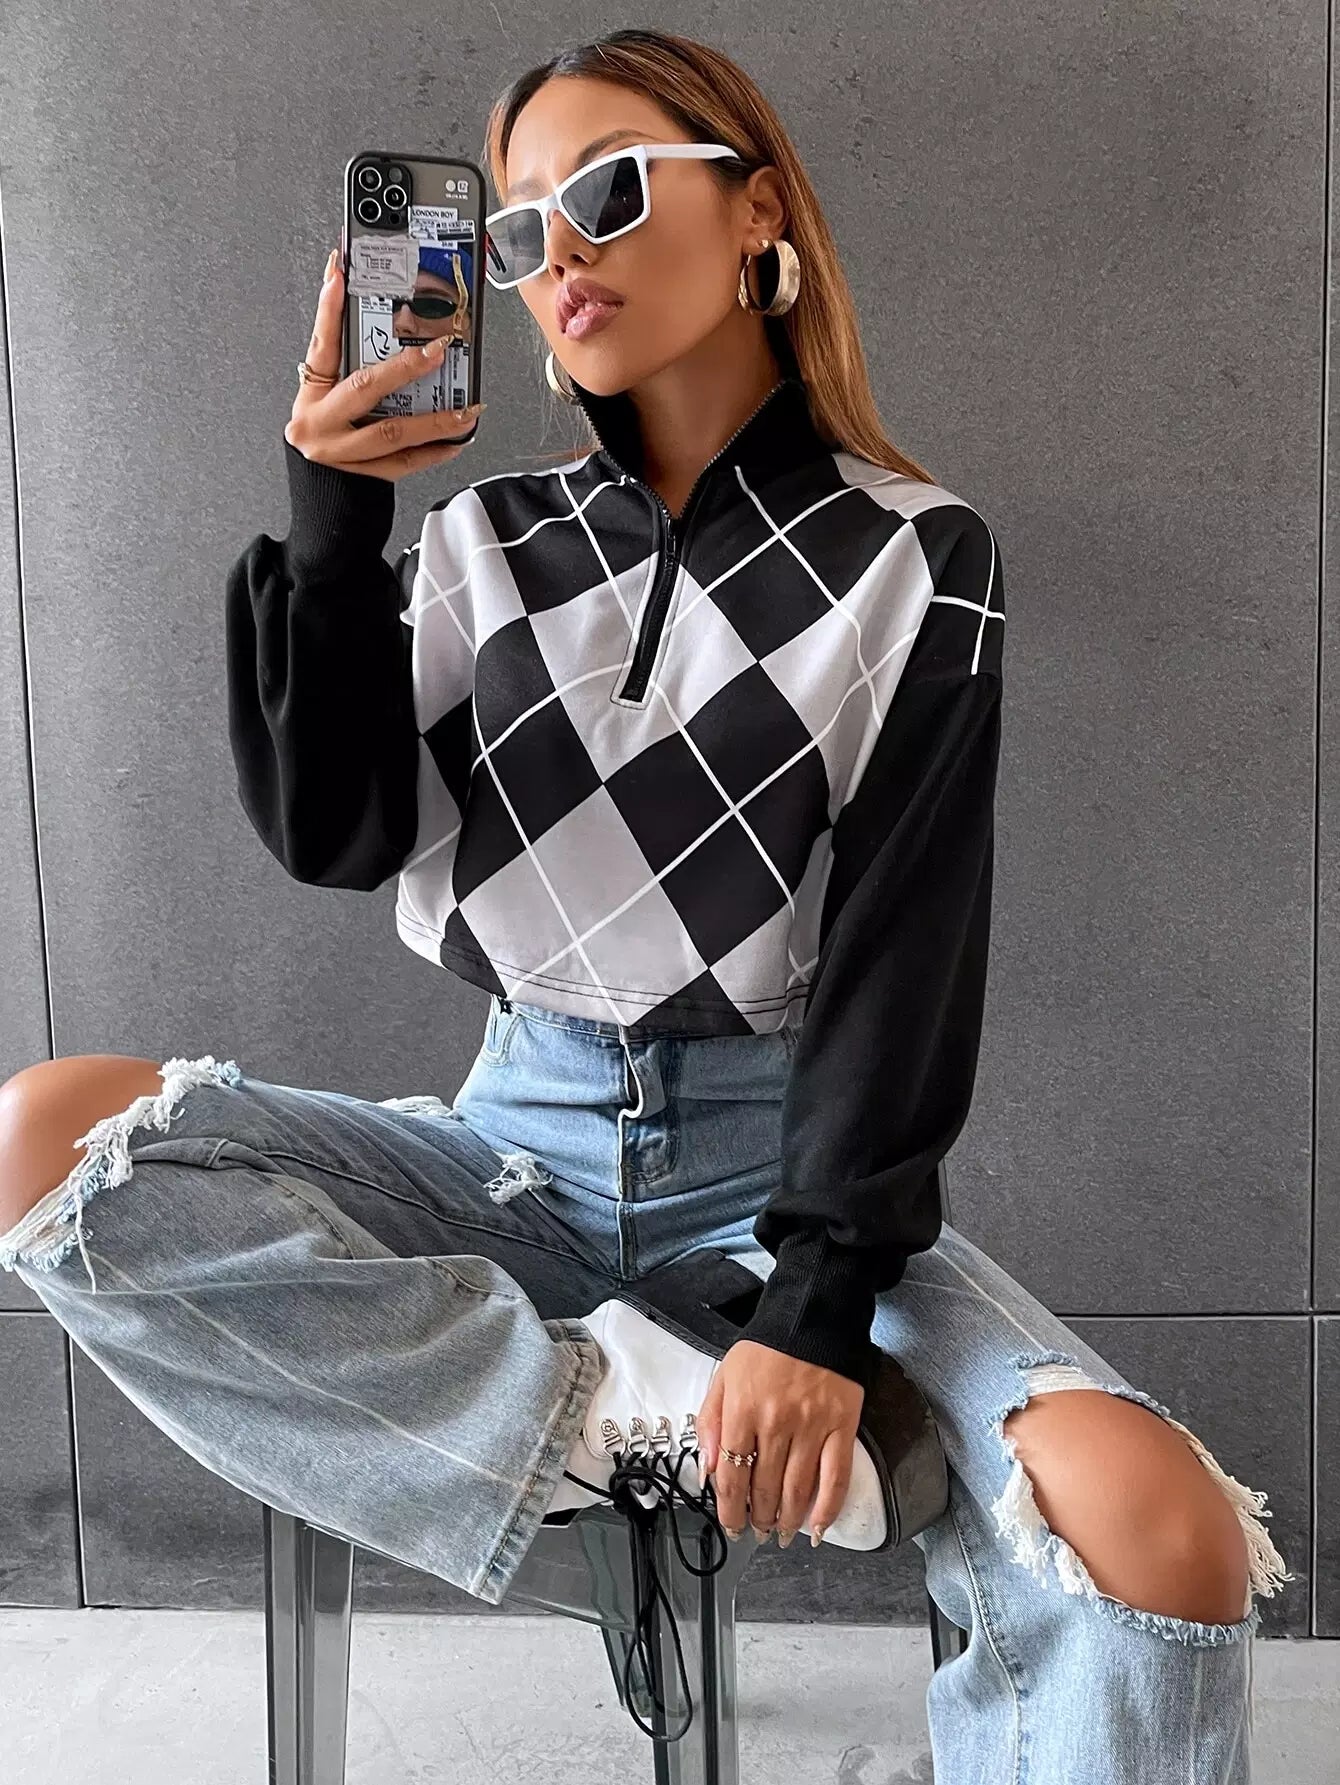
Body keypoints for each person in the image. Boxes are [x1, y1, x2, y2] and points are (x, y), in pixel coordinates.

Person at [0, 26, 1292, 1780]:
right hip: (501, 1150)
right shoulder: (485, 540)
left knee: (1157, 1529)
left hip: (782, 1181)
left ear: (758, 210)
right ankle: (595, 1410)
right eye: (520, 230)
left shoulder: (917, 557)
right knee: (47, 1141)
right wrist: (333, 529)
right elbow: (337, 830)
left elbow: (907, 953)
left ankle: (613, 1396)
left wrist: (817, 1303)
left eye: (605, 193)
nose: (561, 256)